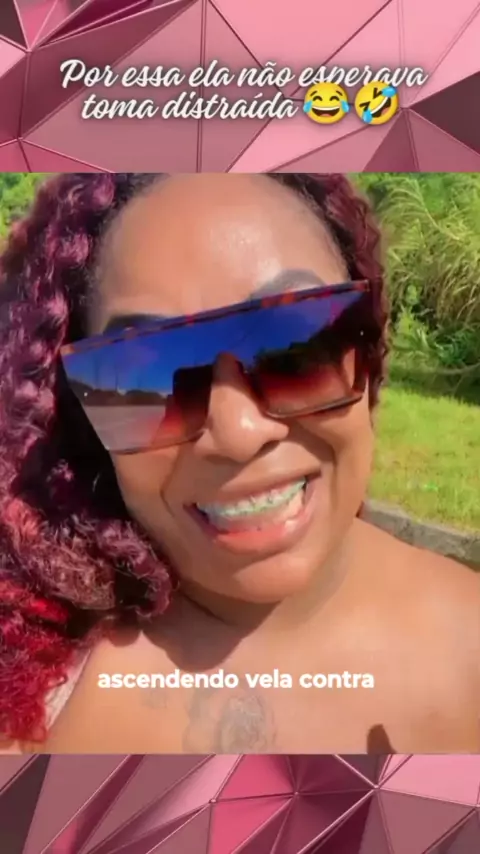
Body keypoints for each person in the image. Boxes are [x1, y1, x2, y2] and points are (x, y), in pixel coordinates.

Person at [0, 172, 478, 755]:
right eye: (148, 376)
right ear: (83, 419)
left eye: (296, 347)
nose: (237, 433)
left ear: (367, 352)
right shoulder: (33, 702)